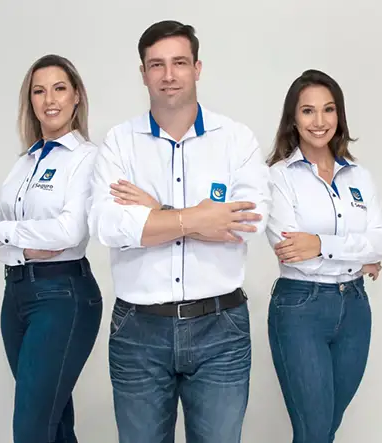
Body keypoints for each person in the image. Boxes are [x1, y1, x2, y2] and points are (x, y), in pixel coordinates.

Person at [88, 20, 271, 443]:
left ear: (197, 68)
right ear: (143, 73)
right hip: (138, 331)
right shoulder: (120, 142)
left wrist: (156, 212)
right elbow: (109, 225)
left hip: (221, 329)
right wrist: (202, 218)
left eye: (179, 63)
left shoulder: (236, 139)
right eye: (157, 65)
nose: (168, 75)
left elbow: (248, 222)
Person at [0, 54, 102, 443]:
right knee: (54, 422)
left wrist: (6, 231)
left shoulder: (87, 159)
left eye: (59, 88)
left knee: (32, 427)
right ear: (29, 100)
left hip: (62, 296)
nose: (50, 99)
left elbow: (69, 231)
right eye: (39, 91)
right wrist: (24, 248)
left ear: (76, 96)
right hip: (16, 296)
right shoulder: (25, 162)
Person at [264, 68, 382, 443]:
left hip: (355, 309)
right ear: (293, 118)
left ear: (339, 115)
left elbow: (381, 241)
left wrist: (321, 244)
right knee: (315, 430)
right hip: (300, 308)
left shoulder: (359, 176)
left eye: (328, 109)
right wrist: (359, 258)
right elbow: (294, 254)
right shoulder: (277, 177)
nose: (319, 121)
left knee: (327, 428)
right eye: (308, 111)